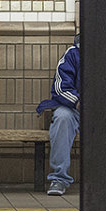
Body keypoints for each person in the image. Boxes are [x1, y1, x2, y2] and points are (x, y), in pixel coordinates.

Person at [36, 34, 81, 196]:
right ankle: (59, 178)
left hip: (103, 109)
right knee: (62, 118)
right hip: (75, 107)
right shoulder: (73, 54)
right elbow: (61, 88)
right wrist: (78, 102)